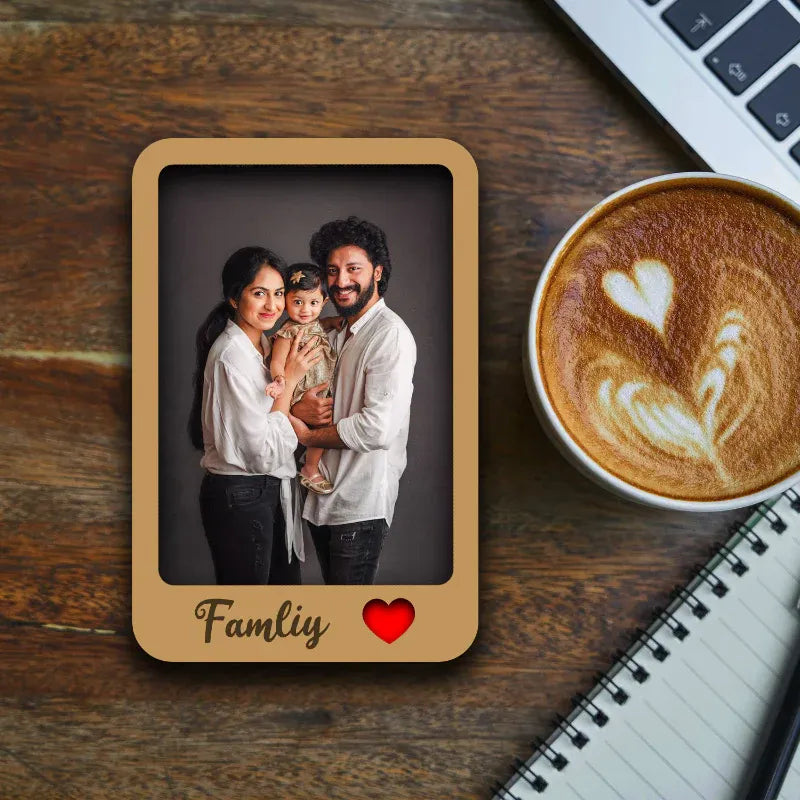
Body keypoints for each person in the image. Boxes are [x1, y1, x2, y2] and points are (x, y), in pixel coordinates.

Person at [290, 217, 417, 585]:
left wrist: (310, 437)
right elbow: (304, 393)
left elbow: (376, 429)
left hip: (358, 508)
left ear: (377, 272)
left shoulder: (389, 335)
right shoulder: (336, 332)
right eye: (332, 270)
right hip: (322, 504)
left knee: (350, 626)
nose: (341, 280)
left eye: (353, 269)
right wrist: (299, 411)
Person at [188, 246, 322, 585]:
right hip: (241, 494)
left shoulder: (266, 346)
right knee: (248, 610)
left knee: (281, 602)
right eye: (259, 293)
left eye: (279, 294)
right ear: (235, 298)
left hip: (267, 490)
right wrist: (290, 382)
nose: (272, 306)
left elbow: (271, 416)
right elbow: (259, 453)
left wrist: (298, 403)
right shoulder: (231, 356)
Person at [264, 263, 340, 495]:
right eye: (297, 302)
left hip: (317, 387)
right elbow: (277, 361)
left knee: (326, 425)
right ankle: (310, 467)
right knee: (323, 428)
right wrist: (279, 379)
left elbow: (320, 324)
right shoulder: (288, 332)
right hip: (298, 387)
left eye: (313, 303)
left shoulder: (313, 323)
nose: (305, 310)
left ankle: (309, 464)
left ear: (323, 303)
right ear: (285, 299)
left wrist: (332, 322)